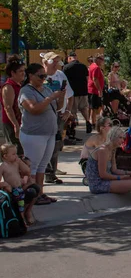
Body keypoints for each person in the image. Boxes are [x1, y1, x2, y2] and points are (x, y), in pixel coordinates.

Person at [18, 63, 65, 206]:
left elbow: (57, 107)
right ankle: (31, 195)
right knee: (32, 166)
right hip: (34, 134)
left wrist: (60, 96)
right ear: (30, 76)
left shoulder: (45, 89)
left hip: (49, 133)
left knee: (42, 166)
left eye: (45, 76)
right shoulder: (26, 91)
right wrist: (50, 98)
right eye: (40, 76)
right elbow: (33, 109)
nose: (43, 78)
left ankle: (40, 193)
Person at [42, 51, 74, 184]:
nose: (56, 64)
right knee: (43, 144)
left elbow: (70, 95)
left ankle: (50, 173)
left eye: (57, 61)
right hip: (42, 115)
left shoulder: (61, 75)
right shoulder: (39, 76)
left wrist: (67, 111)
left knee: (55, 144)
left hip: (58, 116)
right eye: (53, 61)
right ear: (45, 62)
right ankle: (43, 171)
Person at [0, 144, 40, 226]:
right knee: (21, 202)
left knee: (35, 188)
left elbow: (28, 171)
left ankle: (25, 213)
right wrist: (5, 184)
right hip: (12, 191)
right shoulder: (3, 166)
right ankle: (20, 219)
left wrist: (19, 161)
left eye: (16, 153)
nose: (16, 156)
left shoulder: (16, 163)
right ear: (5, 156)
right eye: (13, 154)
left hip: (20, 189)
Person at [1, 55, 25, 156]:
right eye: (20, 71)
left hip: (20, 122)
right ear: (12, 73)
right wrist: (15, 125)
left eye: (24, 70)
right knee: (15, 151)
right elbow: (8, 108)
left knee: (22, 151)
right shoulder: (8, 87)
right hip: (11, 123)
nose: (23, 73)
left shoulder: (20, 85)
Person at [63, 51, 92, 133]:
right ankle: (87, 121)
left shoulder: (66, 67)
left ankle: (73, 127)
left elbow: (64, 80)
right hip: (83, 91)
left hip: (73, 92)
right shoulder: (83, 66)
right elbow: (87, 79)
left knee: (73, 110)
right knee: (84, 108)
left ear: (69, 58)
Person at [87, 53, 105, 127]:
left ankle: (93, 122)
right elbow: (95, 79)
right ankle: (95, 123)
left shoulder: (92, 66)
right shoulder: (96, 67)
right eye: (101, 59)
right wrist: (99, 90)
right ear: (97, 59)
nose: (102, 61)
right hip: (94, 90)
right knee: (96, 108)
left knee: (93, 107)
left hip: (91, 89)